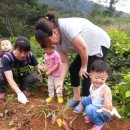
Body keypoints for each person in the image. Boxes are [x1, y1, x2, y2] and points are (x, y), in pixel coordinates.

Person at [34, 11, 111, 107]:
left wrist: (83, 67)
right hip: (85, 48)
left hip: (98, 43)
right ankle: (76, 97)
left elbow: (83, 48)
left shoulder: (67, 27)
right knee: (73, 69)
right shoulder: (55, 43)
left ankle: (83, 102)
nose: (51, 45)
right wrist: (60, 81)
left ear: (54, 32)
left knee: (86, 73)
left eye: (49, 41)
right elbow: (64, 62)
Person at [0, 36, 43, 104]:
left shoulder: (30, 55)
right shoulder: (7, 58)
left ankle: (23, 88)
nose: (23, 55)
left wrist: (41, 69)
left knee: (34, 76)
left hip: (23, 75)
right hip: (12, 77)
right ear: (14, 48)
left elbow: (38, 66)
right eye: (20, 51)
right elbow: (9, 78)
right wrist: (19, 93)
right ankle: (2, 90)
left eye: (26, 52)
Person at [74, 60, 112, 130]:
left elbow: (107, 104)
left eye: (102, 79)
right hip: (95, 107)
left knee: (89, 108)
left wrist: (107, 108)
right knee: (85, 99)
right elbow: (92, 96)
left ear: (106, 78)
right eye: (96, 78)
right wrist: (84, 100)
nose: (99, 80)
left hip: (104, 113)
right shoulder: (92, 86)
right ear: (90, 75)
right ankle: (91, 115)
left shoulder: (105, 90)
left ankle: (99, 123)